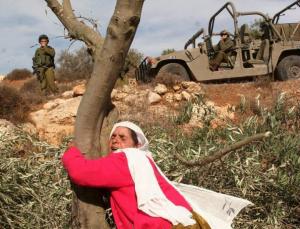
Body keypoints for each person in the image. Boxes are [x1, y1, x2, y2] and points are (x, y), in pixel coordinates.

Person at [62, 121, 252, 229]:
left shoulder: (125, 160)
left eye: (123, 137)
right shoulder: (144, 162)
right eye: (113, 137)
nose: (116, 141)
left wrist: (71, 152)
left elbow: (81, 173)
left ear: (136, 145)